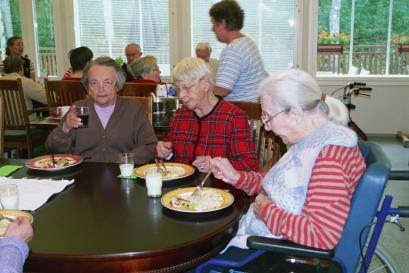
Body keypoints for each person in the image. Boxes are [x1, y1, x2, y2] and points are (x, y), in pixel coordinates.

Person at [210, 69, 366, 250]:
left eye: (268, 116)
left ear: (295, 113)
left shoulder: (329, 158)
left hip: (281, 250)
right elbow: (277, 183)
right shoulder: (311, 140)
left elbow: (322, 235)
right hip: (271, 234)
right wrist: (236, 176)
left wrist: (267, 211)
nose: (267, 127)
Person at [46, 56, 157, 163]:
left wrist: (127, 161)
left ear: (117, 86)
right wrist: (65, 128)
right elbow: (52, 150)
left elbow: (150, 146)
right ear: (88, 87)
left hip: (123, 175)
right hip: (84, 175)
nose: (101, 88)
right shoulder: (79, 109)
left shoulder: (132, 110)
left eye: (107, 82)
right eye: (94, 83)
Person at [156, 57, 258, 172]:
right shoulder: (180, 115)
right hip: (183, 188)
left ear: (205, 84)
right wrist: (166, 153)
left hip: (218, 187)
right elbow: (175, 158)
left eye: (186, 87)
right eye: (178, 89)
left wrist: (215, 165)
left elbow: (249, 165)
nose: (181, 96)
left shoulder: (233, 117)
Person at [209, 0, 268, 102]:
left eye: (214, 24)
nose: (212, 29)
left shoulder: (233, 50)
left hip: (245, 111)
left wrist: (198, 92)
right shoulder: (247, 42)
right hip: (255, 106)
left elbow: (221, 90)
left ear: (223, 23)